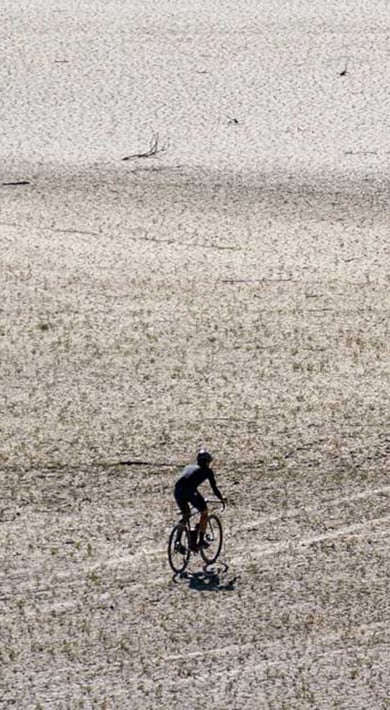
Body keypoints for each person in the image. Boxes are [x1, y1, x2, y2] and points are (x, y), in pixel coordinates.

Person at [174, 449, 225, 551]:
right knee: (204, 511)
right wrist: (221, 498)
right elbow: (214, 487)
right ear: (207, 462)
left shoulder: (189, 467)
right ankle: (200, 540)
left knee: (186, 514)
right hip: (190, 491)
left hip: (177, 491)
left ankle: (177, 540)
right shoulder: (207, 471)